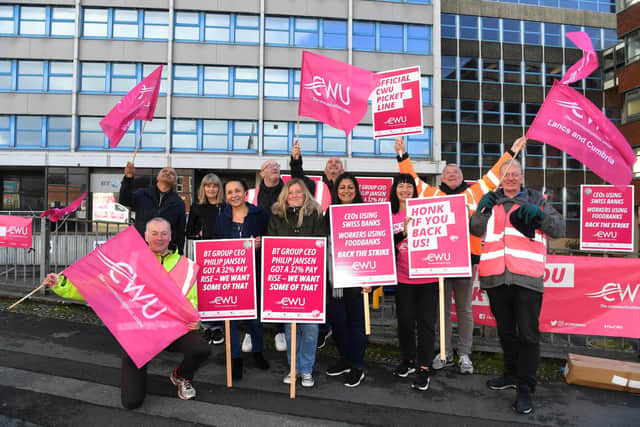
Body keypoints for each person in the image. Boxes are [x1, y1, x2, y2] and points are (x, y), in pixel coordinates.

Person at [42, 217, 210, 409]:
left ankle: (181, 376)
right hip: (139, 332)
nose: (159, 238)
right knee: (131, 402)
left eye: (164, 233)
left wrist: (195, 320)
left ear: (171, 236)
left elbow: (191, 301)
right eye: (154, 233)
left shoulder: (185, 265)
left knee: (201, 349)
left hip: (171, 331)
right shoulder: (131, 261)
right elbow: (97, 288)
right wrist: (61, 284)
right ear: (145, 236)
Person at [395, 136, 527, 374]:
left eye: (455, 172)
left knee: (464, 308)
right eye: (447, 173)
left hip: (467, 259)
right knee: (442, 309)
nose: (451, 175)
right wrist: (403, 156)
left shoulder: (475, 192)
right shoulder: (432, 195)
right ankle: (443, 352)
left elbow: (496, 174)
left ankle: (464, 353)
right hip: (440, 262)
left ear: (462, 176)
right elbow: (412, 180)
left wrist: (511, 151)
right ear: (441, 177)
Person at [470, 157, 564, 415]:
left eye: (515, 174)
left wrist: (541, 216)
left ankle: (526, 388)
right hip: (495, 278)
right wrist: (481, 210)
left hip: (526, 278)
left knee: (528, 335)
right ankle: (511, 374)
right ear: (500, 178)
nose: (510, 178)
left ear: (522, 177)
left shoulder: (536, 200)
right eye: (506, 174)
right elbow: (475, 229)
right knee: (506, 333)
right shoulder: (491, 201)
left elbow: (558, 229)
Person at [267, 178, 325, 387]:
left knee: (310, 329)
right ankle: (293, 368)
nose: (294, 196)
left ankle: (306, 369)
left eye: (298, 192)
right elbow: (271, 243)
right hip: (285, 280)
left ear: (305, 194)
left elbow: (322, 243)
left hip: (311, 281)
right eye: (290, 192)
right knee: (291, 329)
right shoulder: (276, 215)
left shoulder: (316, 214)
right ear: (285, 194)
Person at [213, 178, 270, 380]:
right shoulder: (221, 217)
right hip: (230, 275)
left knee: (254, 318)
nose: (234, 195)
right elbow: (216, 247)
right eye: (229, 192)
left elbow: (271, 239)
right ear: (226, 196)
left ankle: (258, 352)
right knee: (231, 318)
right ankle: (235, 359)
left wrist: (262, 243)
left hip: (254, 273)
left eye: (238, 191)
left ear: (245, 193)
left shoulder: (260, 215)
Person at [389, 173, 438, 391]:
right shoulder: (389, 215)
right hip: (403, 278)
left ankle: (424, 367)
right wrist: (403, 234)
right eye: (401, 185)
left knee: (426, 325)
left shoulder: (425, 210)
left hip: (428, 277)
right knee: (405, 322)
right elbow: (384, 246)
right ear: (395, 189)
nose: (405, 189)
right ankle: (408, 360)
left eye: (409, 186)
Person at [324, 173, 371, 388]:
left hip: (358, 283)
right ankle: (345, 359)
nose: (346, 191)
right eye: (342, 187)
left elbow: (376, 248)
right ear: (336, 191)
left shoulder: (366, 213)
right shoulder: (329, 213)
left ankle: (358, 365)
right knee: (338, 324)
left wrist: (373, 280)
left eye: (350, 187)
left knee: (356, 325)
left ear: (356, 189)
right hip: (334, 283)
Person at [186, 173, 225, 345]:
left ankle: (219, 328)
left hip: (223, 254)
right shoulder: (197, 207)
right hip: (203, 253)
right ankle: (208, 326)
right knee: (205, 290)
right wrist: (199, 234)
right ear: (203, 188)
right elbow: (189, 231)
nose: (211, 189)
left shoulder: (226, 207)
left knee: (221, 290)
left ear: (219, 188)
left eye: (215, 186)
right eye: (208, 186)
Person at [119, 162, 186, 255]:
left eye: (171, 173)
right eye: (164, 171)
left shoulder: (179, 203)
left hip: (166, 253)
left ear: (175, 181)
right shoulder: (142, 194)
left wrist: (180, 255)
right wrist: (128, 178)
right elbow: (124, 200)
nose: (167, 173)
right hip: (141, 248)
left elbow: (180, 231)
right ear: (157, 177)